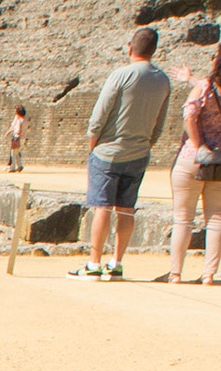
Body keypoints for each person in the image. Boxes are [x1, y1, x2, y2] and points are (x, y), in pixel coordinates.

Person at [70, 27, 172, 281]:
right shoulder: (163, 80)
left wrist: (92, 143)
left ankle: (94, 264)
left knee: (102, 207)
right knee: (126, 209)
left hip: (108, 151)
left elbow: (100, 113)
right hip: (139, 151)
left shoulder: (121, 74)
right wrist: (148, 145)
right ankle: (116, 263)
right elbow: (159, 122)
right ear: (154, 50)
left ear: (130, 48)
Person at [166, 39, 221, 284]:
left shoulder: (206, 87)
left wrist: (198, 144)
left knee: (183, 217)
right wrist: (190, 77)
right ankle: (209, 274)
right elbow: (215, 90)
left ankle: (175, 273)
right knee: (217, 216)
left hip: (194, 157)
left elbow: (190, 115)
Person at [7, 105, 27, 171]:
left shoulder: (19, 120)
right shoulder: (25, 120)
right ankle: (20, 165)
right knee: (17, 153)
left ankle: (12, 167)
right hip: (23, 138)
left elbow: (18, 130)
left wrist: (15, 135)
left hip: (17, 138)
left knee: (13, 153)